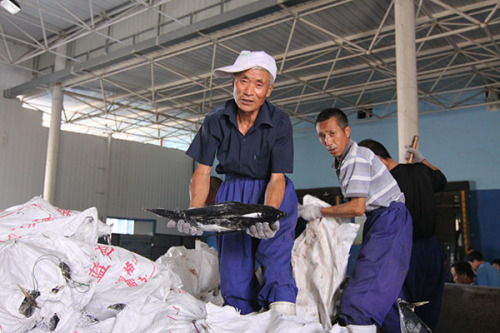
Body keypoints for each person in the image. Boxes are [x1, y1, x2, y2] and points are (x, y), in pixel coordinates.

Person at [169, 50, 298, 315]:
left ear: (268, 91)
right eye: (243, 81)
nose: (248, 91)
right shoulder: (216, 119)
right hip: (233, 193)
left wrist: (268, 214)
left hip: (273, 192)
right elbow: (202, 173)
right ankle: (243, 317)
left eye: (258, 84)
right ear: (233, 83)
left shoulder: (280, 122)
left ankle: (283, 319)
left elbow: (277, 178)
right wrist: (195, 212)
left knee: (274, 259)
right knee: (233, 266)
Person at [298, 108, 412, 333]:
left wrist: (318, 211)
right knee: (386, 297)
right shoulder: (343, 161)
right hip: (381, 220)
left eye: (332, 134)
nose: (328, 141)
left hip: (389, 220)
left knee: (360, 298)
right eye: (322, 136)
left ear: (346, 131)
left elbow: (357, 207)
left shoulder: (355, 157)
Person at [358, 139, 447, 331]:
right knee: (428, 310)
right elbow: (442, 180)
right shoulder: (420, 171)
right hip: (432, 251)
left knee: (400, 311)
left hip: (404, 253)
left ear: (378, 161)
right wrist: (423, 161)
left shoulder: (386, 186)